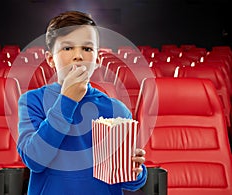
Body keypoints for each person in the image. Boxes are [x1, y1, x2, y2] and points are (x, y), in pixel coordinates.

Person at [17, 10, 147, 195]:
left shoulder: (117, 109)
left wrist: (137, 171)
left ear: (97, 59)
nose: (78, 56)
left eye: (87, 49)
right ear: (50, 59)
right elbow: (34, 160)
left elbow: (130, 182)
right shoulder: (32, 101)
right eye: (67, 48)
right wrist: (67, 100)